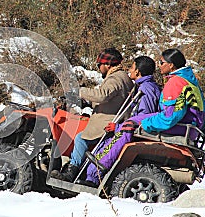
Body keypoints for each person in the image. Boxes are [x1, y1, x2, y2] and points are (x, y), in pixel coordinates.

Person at [85, 48, 205, 186]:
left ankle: (95, 171)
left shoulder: (175, 83)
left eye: (161, 62)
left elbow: (170, 117)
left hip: (179, 127)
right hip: (189, 128)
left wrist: (144, 124)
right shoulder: (190, 81)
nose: (159, 66)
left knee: (127, 127)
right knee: (131, 122)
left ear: (171, 65)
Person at [51, 47, 134, 182]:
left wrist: (79, 91)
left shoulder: (116, 78)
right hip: (113, 119)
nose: (99, 68)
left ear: (107, 65)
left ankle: (71, 171)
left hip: (106, 122)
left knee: (80, 138)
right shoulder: (123, 77)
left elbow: (102, 96)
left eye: (99, 65)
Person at [84, 56, 161, 186]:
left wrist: (119, 127)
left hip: (131, 131)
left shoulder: (146, 89)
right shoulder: (144, 86)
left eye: (131, 67)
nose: (129, 70)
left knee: (107, 150)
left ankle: (93, 179)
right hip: (126, 127)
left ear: (137, 71)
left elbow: (143, 116)